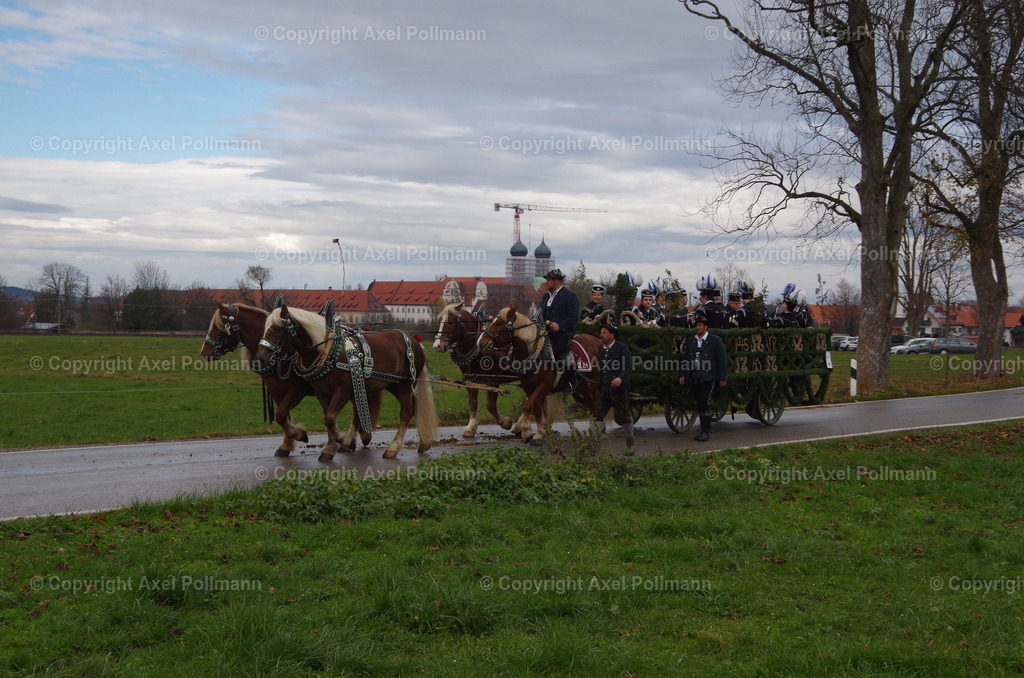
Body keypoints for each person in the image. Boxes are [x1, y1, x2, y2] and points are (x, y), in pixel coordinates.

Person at [678, 317, 728, 442]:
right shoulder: (691, 341)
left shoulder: (715, 340)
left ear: (706, 327)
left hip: (709, 376)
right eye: (696, 326)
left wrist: (722, 378)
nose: (697, 328)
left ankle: (705, 430)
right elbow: (686, 359)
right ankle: (703, 427)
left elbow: (722, 360)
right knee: (699, 402)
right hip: (694, 375)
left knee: (704, 402)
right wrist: (683, 374)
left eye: (700, 325)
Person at [537, 268, 581, 393]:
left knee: (563, 351)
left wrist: (560, 325)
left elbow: (574, 317)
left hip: (563, 332)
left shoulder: (569, 295)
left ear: (557, 281)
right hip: (546, 331)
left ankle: (571, 380)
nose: (546, 282)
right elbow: (542, 314)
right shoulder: (546, 296)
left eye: (549, 280)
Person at [593, 323, 635, 452]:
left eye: (604, 333)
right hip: (604, 388)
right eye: (601, 333)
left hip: (619, 389)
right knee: (597, 415)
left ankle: (630, 444)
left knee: (625, 416)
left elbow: (627, 367)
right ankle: (595, 445)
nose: (601, 335)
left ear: (612, 335)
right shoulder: (601, 349)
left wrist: (620, 378)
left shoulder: (622, 348)